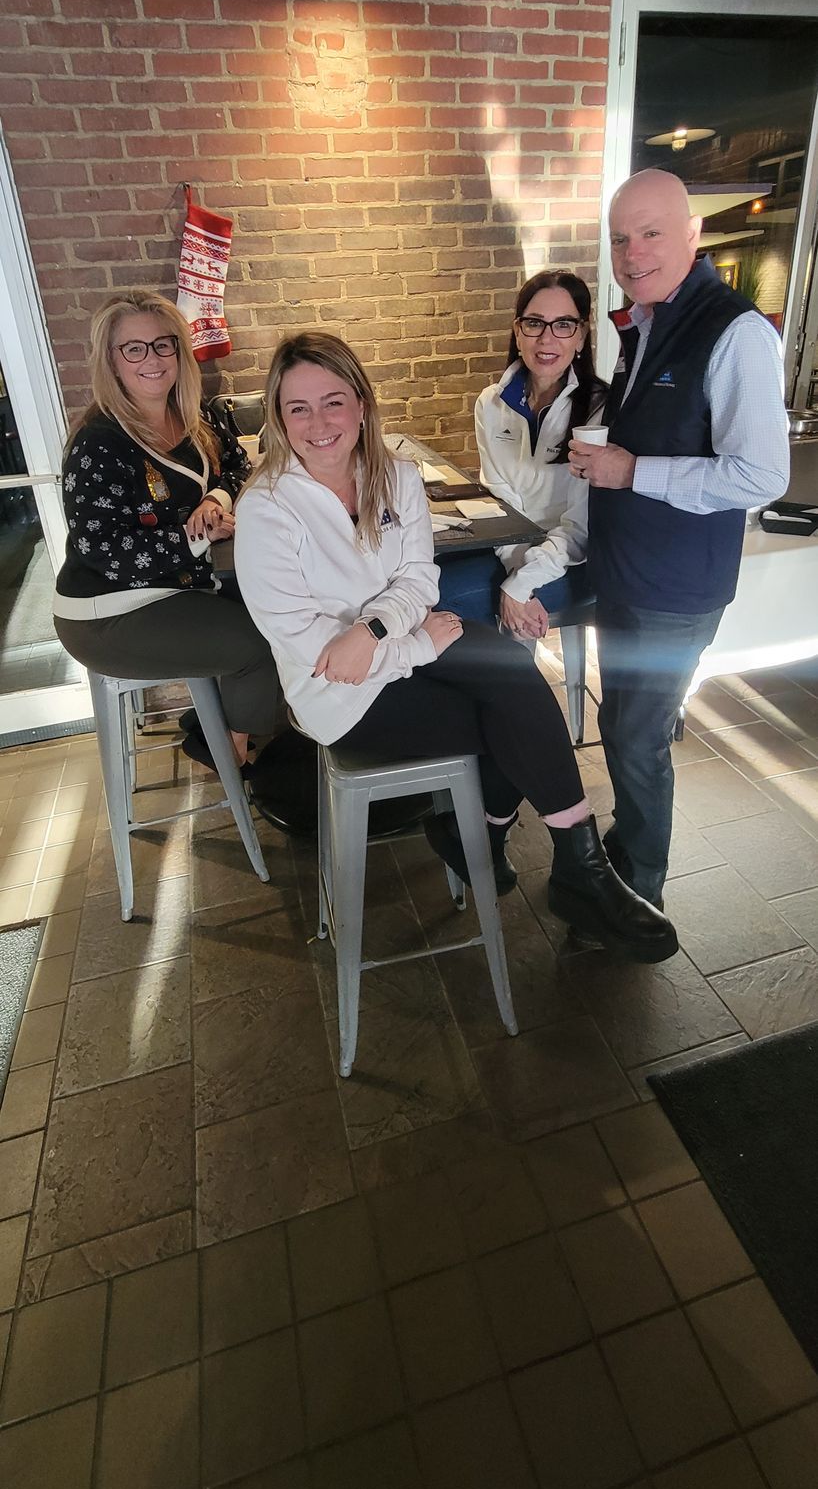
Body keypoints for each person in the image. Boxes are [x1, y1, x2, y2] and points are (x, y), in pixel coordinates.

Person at [234, 330, 679, 962]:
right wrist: (409, 647)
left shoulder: (396, 477)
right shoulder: (267, 509)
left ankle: (570, 861)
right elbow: (320, 655)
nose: (318, 423)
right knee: (506, 718)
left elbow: (418, 580)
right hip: (341, 700)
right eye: (297, 408)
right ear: (279, 419)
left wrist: (376, 630)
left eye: (333, 402)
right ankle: (534, 854)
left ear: (361, 403)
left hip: (391, 646)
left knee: (512, 671)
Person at [569, 168, 791, 910]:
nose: (632, 253)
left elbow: (761, 476)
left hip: (677, 590)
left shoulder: (737, 333)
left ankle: (641, 892)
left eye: (652, 232)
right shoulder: (647, 320)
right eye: (620, 238)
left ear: (693, 236)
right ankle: (629, 846)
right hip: (628, 575)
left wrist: (632, 470)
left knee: (637, 738)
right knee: (618, 720)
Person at [53, 288, 279, 768]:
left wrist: (217, 498)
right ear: (111, 361)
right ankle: (231, 753)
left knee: (283, 609)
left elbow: (242, 467)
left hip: (174, 588)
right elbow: (107, 551)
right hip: (109, 611)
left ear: (179, 350)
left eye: (163, 344)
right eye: (133, 348)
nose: (151, 359)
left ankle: (222, 726)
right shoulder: (99, 444)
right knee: (260, 644)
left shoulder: (195, 418)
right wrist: (199, 536)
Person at [437, 270, 606, 636]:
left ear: (581, 336)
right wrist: (518, 576)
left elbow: (580, 529)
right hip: (513, 549)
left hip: (574, 563)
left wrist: (522, 583)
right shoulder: (491, 403)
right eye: (534, 323)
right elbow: (502, 503)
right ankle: (495, 682)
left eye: (563, 325)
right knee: (417, 570)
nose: (546, 338)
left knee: (443, 598)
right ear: (517, 331)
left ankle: (504, 689)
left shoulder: (599, 413)